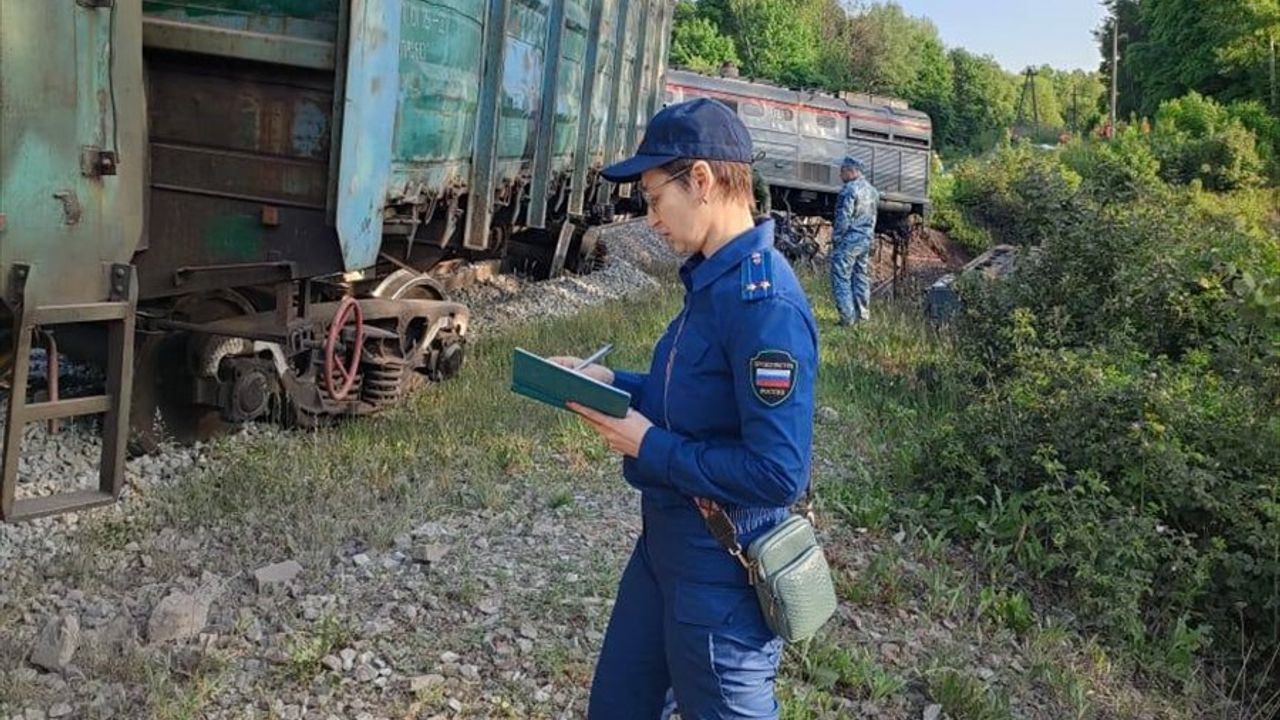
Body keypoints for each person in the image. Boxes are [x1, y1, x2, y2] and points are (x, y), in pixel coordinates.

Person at [550, 97, 818, 720]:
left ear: (700, 180)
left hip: (720, 573)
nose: (649, 220)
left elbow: (780, 473)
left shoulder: (764, 303)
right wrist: (609, 379)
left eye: (651, 198)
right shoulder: (712, 280)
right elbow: (692, 397)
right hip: (663, 551)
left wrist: (650, 446)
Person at [830, 156, 879, 325]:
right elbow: (873, 218)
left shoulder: (849, 190)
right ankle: (863, 316)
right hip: (865, 239)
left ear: (851, 171)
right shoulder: (873, 191)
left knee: (841, 277)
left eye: (842, 171)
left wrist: (836, 239)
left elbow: (843, 218)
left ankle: (847, 317)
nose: (840, 175)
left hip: (849, 240)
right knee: (861, 277)